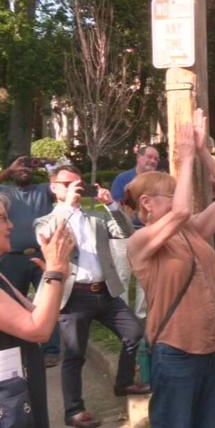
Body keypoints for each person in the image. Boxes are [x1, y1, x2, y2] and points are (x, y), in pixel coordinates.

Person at [124, 109, 215, 428]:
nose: (181, 199)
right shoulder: (140, 241)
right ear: (147, 203)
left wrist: (203, 152)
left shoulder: (191, 230)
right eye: (172, 194)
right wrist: (185, 156)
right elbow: (181, 211)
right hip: (176, 351)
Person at [35, 165, 148, 427]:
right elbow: (47, 237)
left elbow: (126, 233)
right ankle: (74, 411)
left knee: (133, 332)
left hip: (105, 292)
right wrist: (65, 207)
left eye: (78, 183)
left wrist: (113, 207)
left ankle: (124, 383)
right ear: (54, 188)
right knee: (74, 354)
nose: (75, 187)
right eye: (67, 184)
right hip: (73, 297)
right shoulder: (45, 219)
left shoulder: (95, 215)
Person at [0, 192, 74, 428]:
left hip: (18, 391)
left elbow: (37, 313)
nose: (10, 225)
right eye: (2, 219)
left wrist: (57, 275)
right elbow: (39, 330)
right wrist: (54, 272)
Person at [0, 155, 59, 366]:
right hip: (12, 259)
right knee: (14, 306)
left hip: (39, 255)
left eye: (28, 166)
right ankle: (16, 352)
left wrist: (48, 165)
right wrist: (9, 169)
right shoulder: (5, 191)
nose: (24, 169)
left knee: (47, 301)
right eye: (20, 166)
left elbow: (62, 185)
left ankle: (51, 351)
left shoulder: (43, 190)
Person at [109, 144, 159, 318]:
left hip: (150, 232)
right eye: (149, 157)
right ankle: (121, 313)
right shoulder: (123, 178)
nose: (153, 161)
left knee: (145, 275)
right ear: (139, 157)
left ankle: (142, 314)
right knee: (123, 274)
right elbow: (115, 207)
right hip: (124, 234)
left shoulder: (158, 181)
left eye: (156, 159)